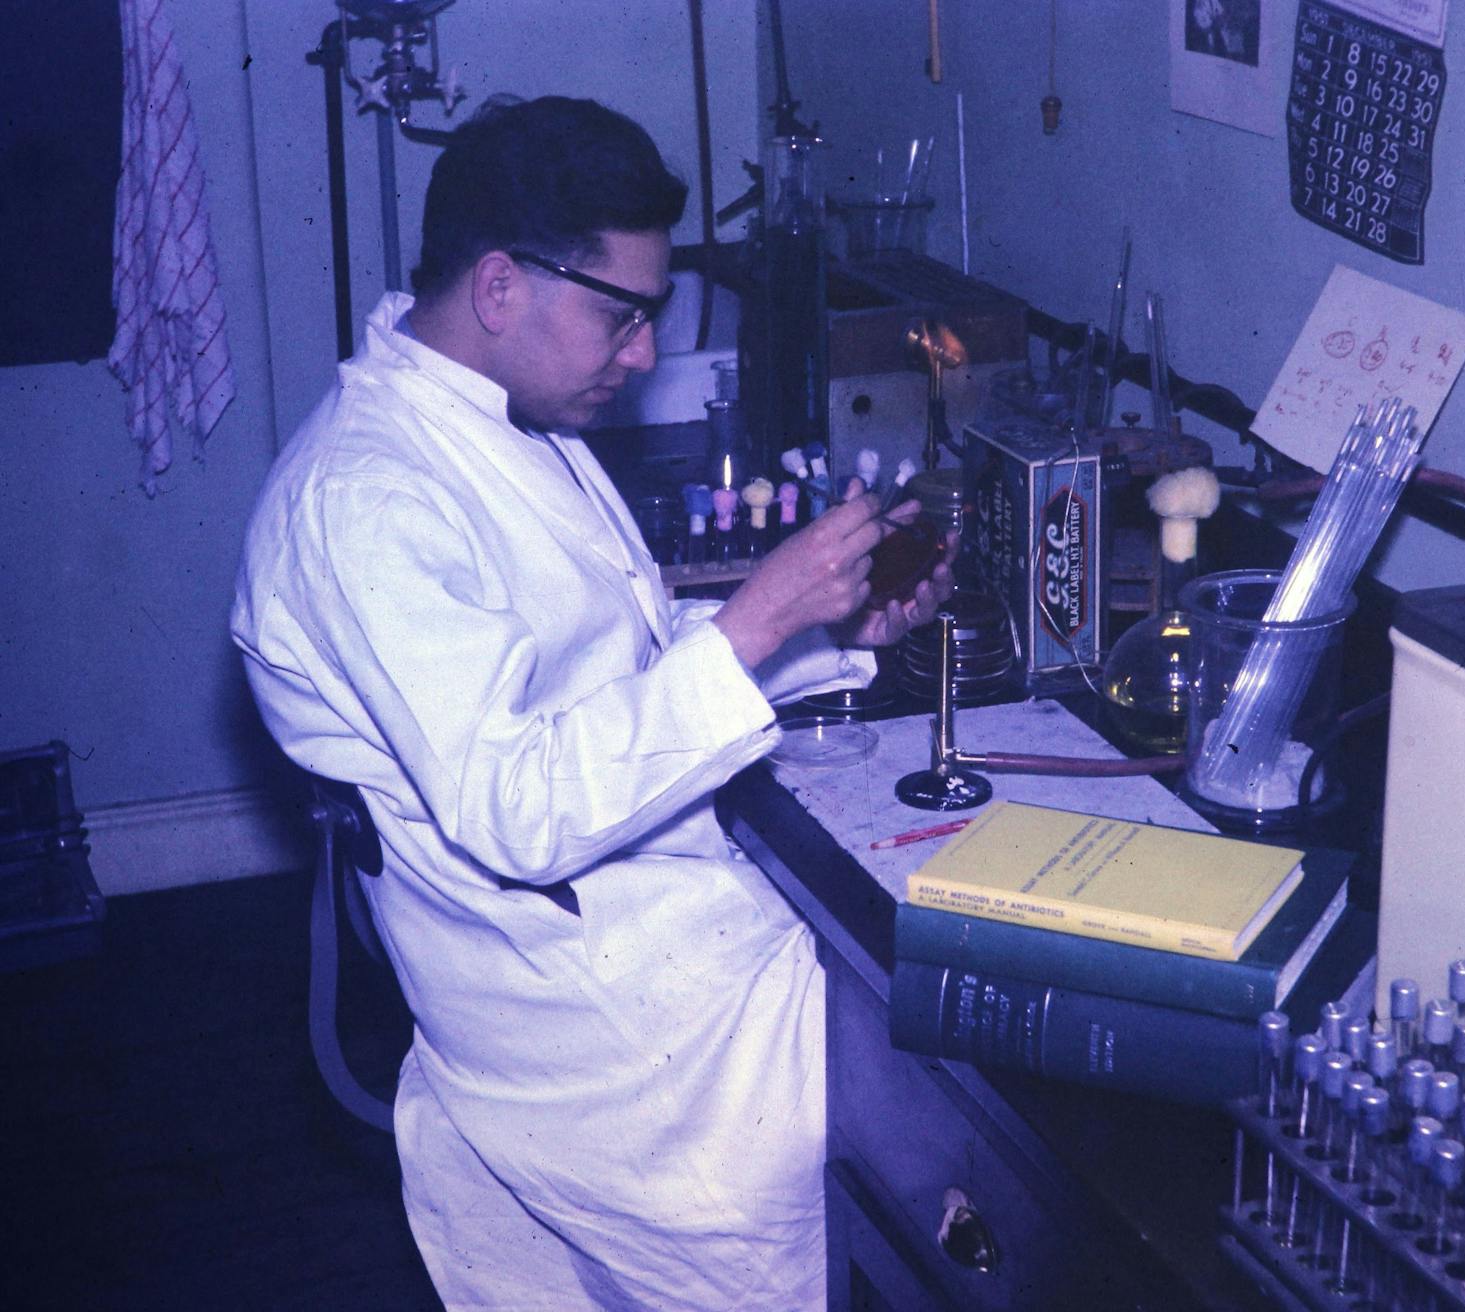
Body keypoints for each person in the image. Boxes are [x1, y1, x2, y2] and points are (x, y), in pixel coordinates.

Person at [231, 96, 951, 1310]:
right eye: (623, 316)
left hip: (631, 939)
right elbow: (519, 804)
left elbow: (602, 667)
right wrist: (759, 616)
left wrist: (824, 629)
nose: (642, 356)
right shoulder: (366, 501)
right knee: (967, 1077)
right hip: (597, 1035)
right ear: (502, 287)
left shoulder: (497, 421)